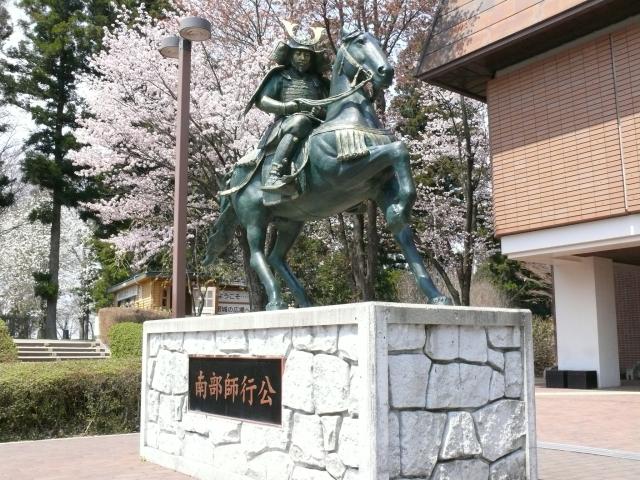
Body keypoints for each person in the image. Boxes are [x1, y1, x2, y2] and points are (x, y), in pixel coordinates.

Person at [245, 22, 328, 195]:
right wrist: (286, 107)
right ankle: (275, 174)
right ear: (290, 55)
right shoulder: (280, 77)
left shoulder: (318, 81)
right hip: (287, 123)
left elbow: (330, 104)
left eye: (307, 55)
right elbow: (262, 100)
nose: (303, 58)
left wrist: (322, 111)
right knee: (300, 121)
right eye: (298, 53)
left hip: (318, 123)